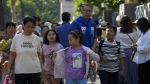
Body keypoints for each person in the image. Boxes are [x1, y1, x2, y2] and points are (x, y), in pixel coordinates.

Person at [7, 16, 43, 84]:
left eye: (32, 27)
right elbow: (12, 54)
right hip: (20, 70)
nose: (30, 29)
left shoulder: (36, 38)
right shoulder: (17, 38)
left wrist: (42, 67)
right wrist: (8, 67)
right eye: (28, 26)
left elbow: (39, 55)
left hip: (34, 70)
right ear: (23, 25)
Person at [115, 15, 141, 84]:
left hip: (120, 53)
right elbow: (140, 39)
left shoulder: (117, 31)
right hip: (132, 52)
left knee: (122, 70)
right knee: (132, 71)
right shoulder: (135, 30)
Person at [131, 17, 150, 84]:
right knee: (141, 80)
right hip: (142, 61)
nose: (137, 28)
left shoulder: (148, 34)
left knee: (146, 80)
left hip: (147, 62)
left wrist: (136, 48)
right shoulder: (144, 33)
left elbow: (146, 48)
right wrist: (136, 44)